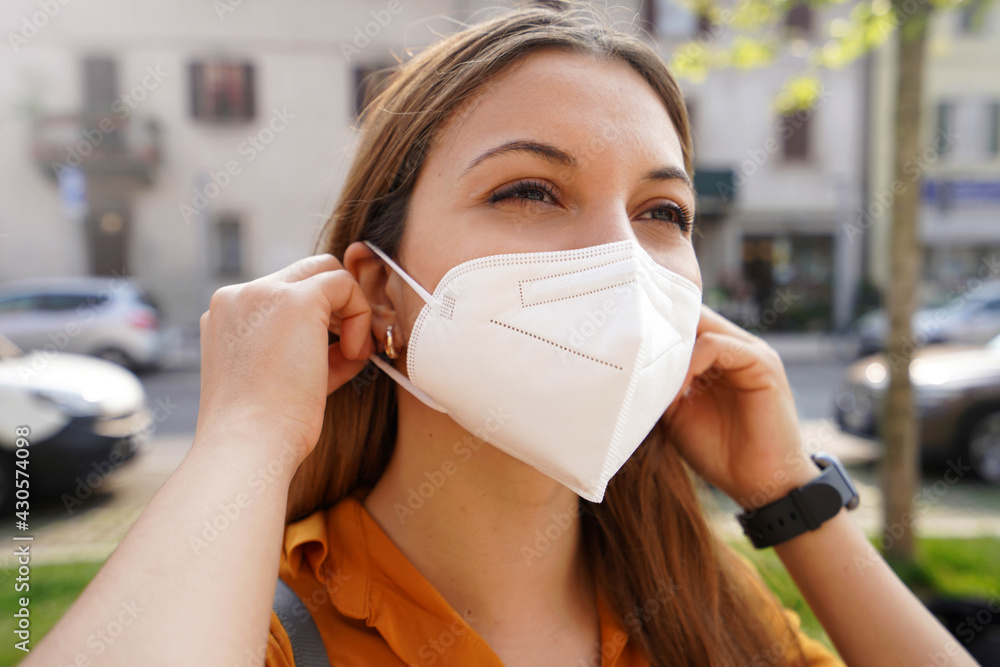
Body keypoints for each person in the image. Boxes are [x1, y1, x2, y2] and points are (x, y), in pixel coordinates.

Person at [26, 4, 978, 666]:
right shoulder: (265, 622)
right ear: (379, 292)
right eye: (528, 190)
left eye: (664, 212)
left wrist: (788, 498)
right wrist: (246, 436)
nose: (623, 258)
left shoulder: (703, 602)